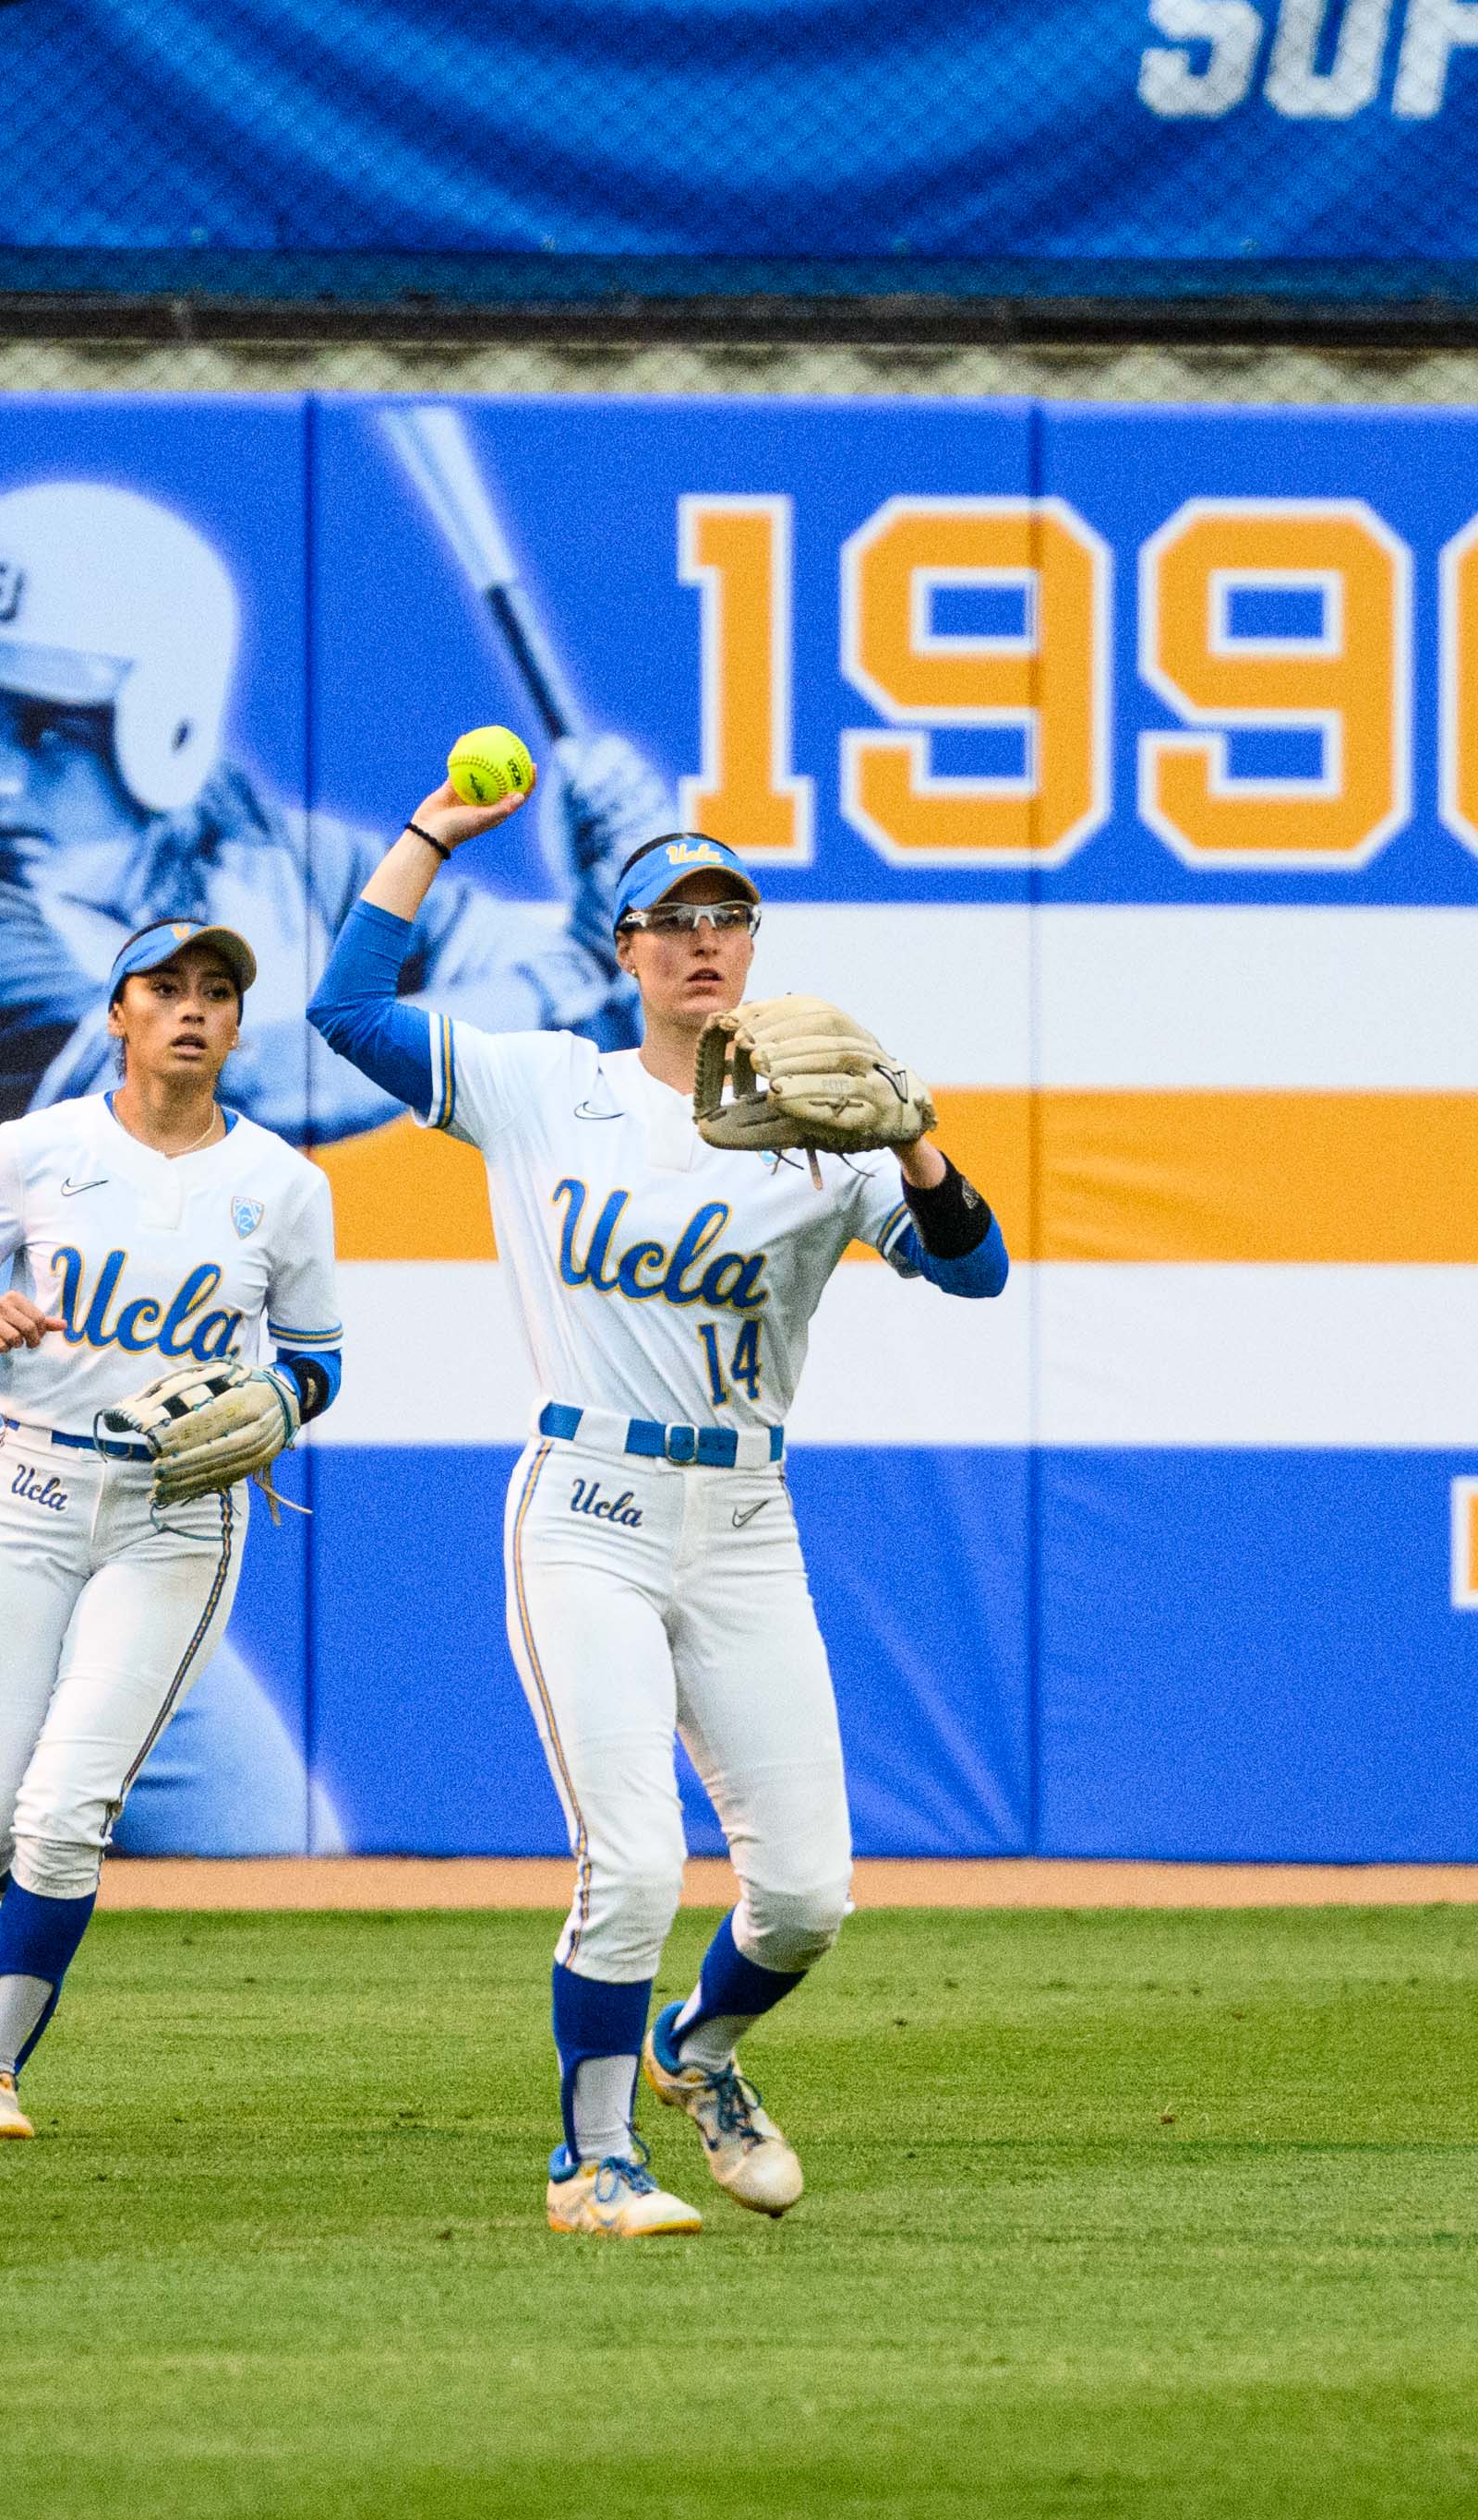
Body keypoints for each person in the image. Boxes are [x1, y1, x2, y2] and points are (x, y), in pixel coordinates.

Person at [0, 477, 662, 1860]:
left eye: (49, 731)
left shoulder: (276, 862)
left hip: (86, 1517)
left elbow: (520, 1003)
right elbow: (245, 1076)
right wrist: (585, 952)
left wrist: (626, 878)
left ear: (163, 725)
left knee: (277, 1881)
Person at [306, 772, 1013, 2237]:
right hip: (587, 1505)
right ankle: (590, 2158)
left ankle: (698, 2052)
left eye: (728, 918)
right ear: (623, 950)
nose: (703, 941)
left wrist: (915, 1138)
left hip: (747, 1522)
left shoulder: (825, 1121)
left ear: (754, 948)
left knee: (808, 1894)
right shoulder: (547, 1083)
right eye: (671, 921)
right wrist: (429, 836)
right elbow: (348, 1010)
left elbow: (974, 1270)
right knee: (630, 1859)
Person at [0, 918, 342, 2141]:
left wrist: (280, 1401)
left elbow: (315, 1361)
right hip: (31, 1486)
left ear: (239, 1026)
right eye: (165, 988)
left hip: (176, 1516)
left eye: (215, 991)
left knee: (65, 1808)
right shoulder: (40, 1151)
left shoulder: (284, 1188)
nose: (191, 1008)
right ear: (119, 1013)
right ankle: (9, 1899)